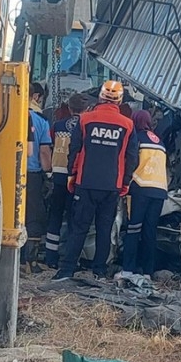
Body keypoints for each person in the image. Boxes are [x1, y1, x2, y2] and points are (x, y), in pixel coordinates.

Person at [53, 81, 139, 280]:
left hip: (86, 182)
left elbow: (74, 151)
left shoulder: (85, 120)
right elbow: (132, 157)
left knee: (79, 227)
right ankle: (99, 271)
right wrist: (125, 183)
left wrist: (71, 176)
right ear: (120, 100)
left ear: (100, 97)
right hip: (112, 185)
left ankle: (66, 269)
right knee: (104, 229)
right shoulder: (128, 125)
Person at [116, 109, 168, 280]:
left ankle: (128, 270)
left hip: (140, 188)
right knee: (149, 232)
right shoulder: (159, 141)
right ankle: (148, 272)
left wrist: (124, 183)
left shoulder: (136, 138)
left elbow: (130, 162)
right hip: (159, 191)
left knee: (133, 229)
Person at [44, 93, 91, 269]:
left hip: (58, 175)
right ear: (86, 109)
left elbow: (50, 145)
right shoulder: (87, 126)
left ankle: (50, 257)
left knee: (55, 215)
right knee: (74, 218)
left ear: (69, 108)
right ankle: (70, 259)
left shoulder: (57, 125)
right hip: (76, 176)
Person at [25, 82, 52, 272]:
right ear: (35, 97)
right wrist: (49, 172)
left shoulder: (3, 113)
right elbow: (43, 152)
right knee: (34, 217)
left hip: (4, 173)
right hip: (32, 175)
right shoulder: (40, 121)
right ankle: (30, 262)